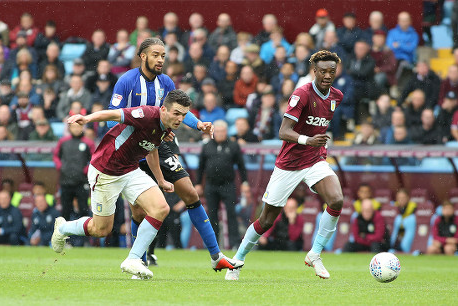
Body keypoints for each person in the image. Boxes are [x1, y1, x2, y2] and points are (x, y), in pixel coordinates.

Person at [52, 90, 243, 278]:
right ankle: (62, 228)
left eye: (183, 115)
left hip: (130, 169)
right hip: (105, 170)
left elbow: (152, 150)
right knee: (101, 229)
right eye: (176, 113)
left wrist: (160, 180)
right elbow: (114, 114)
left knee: (161, 208)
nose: (179, 118)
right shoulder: (146, 114)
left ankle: (134, 259)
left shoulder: (166, 127)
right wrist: (87, 119)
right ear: (163, 109)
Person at [107, 38, 239, 272]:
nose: (160, 60)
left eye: (163, 56)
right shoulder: (126, 81)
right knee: (139, 210)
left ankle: (215, 255)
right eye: (156, 55)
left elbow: (179, 110)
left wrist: (198, 125)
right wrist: (148, 127)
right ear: (143, 56)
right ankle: (139, 260)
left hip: (159, 144)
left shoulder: (165, 82)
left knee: (189, 191)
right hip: (131, 148)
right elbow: (111, 116)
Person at [226, 50, 344, 281]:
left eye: (332, 71)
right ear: (315, 72)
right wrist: (307, 140)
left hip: (315, 159)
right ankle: (237, 261)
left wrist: (316, 145)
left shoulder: (336, 96)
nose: (328, 75)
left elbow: (319, 125)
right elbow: (283, 131)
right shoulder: (301, 94)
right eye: (323, 71)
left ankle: (315, 253)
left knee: (336, 200)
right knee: (267, 219)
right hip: (289, 164)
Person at [195, 120, 249, 249]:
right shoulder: (207, 146)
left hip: (228, 185)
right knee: (212, 215)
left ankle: (235, 243)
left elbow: (241, 166)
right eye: (217, 131)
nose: (219, 134)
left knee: (231, 214)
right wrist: (197, 184)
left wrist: (244, 182)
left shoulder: (233, 145)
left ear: (226, 132)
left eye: (222, 131)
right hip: (211, 185)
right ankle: (213, 245)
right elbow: (200, 167)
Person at [53, 122, 95, 221]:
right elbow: (56, 156)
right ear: (69, 128)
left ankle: (84, 236)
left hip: (81, 182)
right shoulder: (63, 141)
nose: (76, 129)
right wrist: (61, 167)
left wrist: (85, 170)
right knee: (65, 211)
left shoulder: (88, 143)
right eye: (74, 126)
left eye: (79, 126)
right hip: (65, 181)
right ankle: (65, 235)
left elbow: (95, 160)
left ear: (83, 127)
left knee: (83, 211)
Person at [390, 188, 417, 253]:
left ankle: (406, 249)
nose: (401, 200)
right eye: (399, 198)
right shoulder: (393, 207)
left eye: (403, 197)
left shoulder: (414, 207)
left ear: (408, 198)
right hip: (397, 233)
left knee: (410, 220)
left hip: (410, 233)